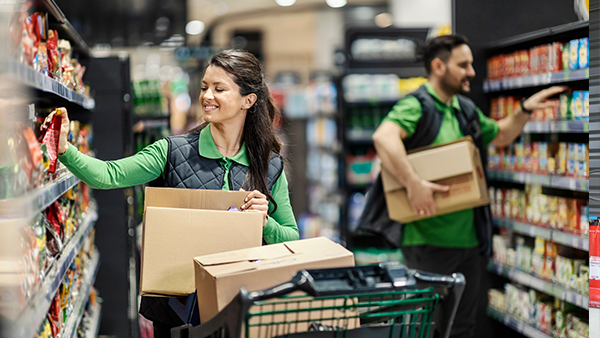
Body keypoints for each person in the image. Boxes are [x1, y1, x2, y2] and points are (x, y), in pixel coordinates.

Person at [47, 49, 299, 337]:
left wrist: (264, 220)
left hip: (239, 306)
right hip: (177, 311)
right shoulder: (172, 151)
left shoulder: (269, 165)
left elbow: (291, 237)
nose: (207, 96)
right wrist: (65, 149)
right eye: (205, 87)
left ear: (248, 100)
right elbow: (109, 175)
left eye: (219, 89)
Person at [361, 35, 565, 338]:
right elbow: (384, 137)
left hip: (469, 242)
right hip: (427, 240)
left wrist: (524, 108)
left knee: (463, 328)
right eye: (463, 65)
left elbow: (500, 135)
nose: (472, 71)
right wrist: (413, 183)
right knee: (429, 326)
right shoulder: (418, 106)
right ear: (439, 66)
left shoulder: (464, 109)